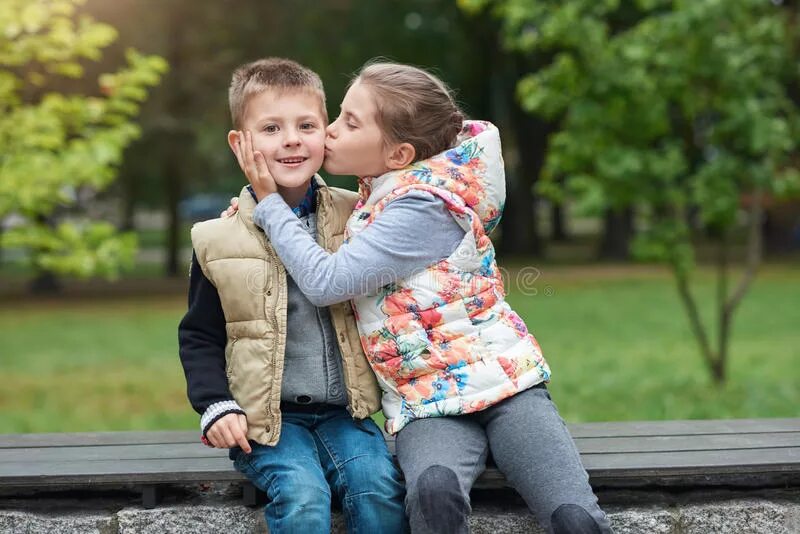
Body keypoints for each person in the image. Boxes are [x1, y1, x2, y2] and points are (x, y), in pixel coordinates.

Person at [230, 60, 614, 534]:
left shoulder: (422, 206)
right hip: (426, 402)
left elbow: (327, 282)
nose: (328, 132)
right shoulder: (386, 192)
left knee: (572, 514)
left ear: (399, 154)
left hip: (509, 392)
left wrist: (269, 205)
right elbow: (317, 217)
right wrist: (251, 209)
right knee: (432, 493)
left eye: (349, 122)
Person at [178, 57, 406, 534]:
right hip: (268, 423)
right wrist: (216, 405)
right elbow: (199, 335)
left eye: (307, 125)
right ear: (240, 144)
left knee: (379, 493)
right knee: (303, 498)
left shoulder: (359, 215)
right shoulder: (217, 239)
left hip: (349, 412)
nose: (291, 139)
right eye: (270, 128)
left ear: (327, 132)